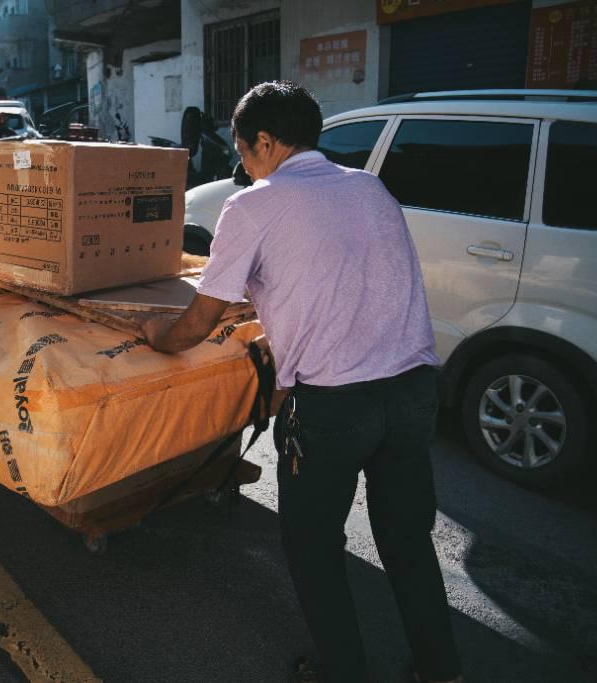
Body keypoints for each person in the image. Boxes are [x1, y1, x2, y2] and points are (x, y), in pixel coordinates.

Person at [139, 81, 463, 683]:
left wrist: (157, 334)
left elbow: (200, 322)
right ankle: (442, 672)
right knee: (408, 542)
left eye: (242, 149)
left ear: (265, 140)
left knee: (312, 548)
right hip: (415, 391)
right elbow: (341, 280)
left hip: (337, 407)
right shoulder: (370, 187)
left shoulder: (253, 206)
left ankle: (344, 671)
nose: (241, 163)